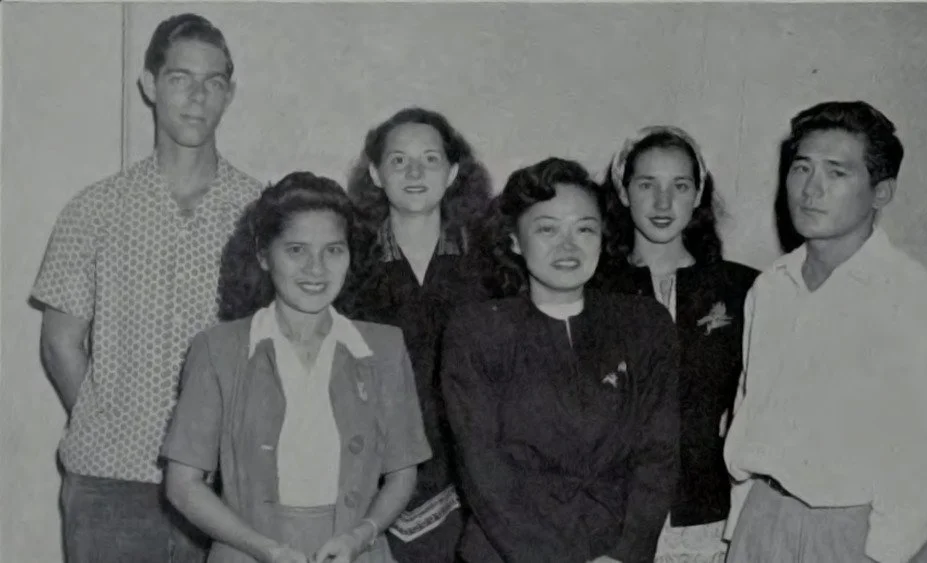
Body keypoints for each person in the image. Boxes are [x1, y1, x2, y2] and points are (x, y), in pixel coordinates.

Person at [31, 13, 262, 562]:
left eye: (213, 82)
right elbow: (60, 341)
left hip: (224, 482)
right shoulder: (94, 208)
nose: (197, 97)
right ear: (149, 84)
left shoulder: (261, 211)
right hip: (110, 484)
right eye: (181, 78)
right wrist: (106, 421)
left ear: (229, 94)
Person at [723, 101, 927, 563]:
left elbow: (924, 457)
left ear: (881, 192)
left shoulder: (916, 298)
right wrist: (742, 525)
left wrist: (881, 554)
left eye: (837, 173)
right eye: (801, 168)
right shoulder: (770, 287)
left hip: (848, 536)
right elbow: (749, 410)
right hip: (760, 521)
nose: (811, 190)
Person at [161, 172, 430, 563]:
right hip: (247, 555)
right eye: (297, 250)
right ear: (263, 255)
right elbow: (182, 486)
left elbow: (403, 474)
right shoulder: (217, 349)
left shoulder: (384, 348)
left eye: (333, 250)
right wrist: (264, 549)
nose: (316, 268)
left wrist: (360, 536)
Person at [441, 157, 681, 563]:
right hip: (510, 553)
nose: (568, 246)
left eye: (584, 229)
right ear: (515, 240)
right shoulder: (477, 331)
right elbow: (483, 471)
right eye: (547, 229)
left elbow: (658, 456)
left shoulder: (645, 325)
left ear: (603, 237)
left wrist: (625, 554)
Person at [593, 125, 758, 563]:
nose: (663, 203)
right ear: (623, 192)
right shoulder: (590, 289)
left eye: (679, 186)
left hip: (707, 518)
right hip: (609, 518)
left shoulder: (744, 289)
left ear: (698, 192)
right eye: (647, 184)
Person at [337, 107, 494, 563]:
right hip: (369, 488)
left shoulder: (489, 266)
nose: (414, 172)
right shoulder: (348, 265)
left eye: (430, 159)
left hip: (470, 489)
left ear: (453, 173)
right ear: (375, 173)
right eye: (398, 160)